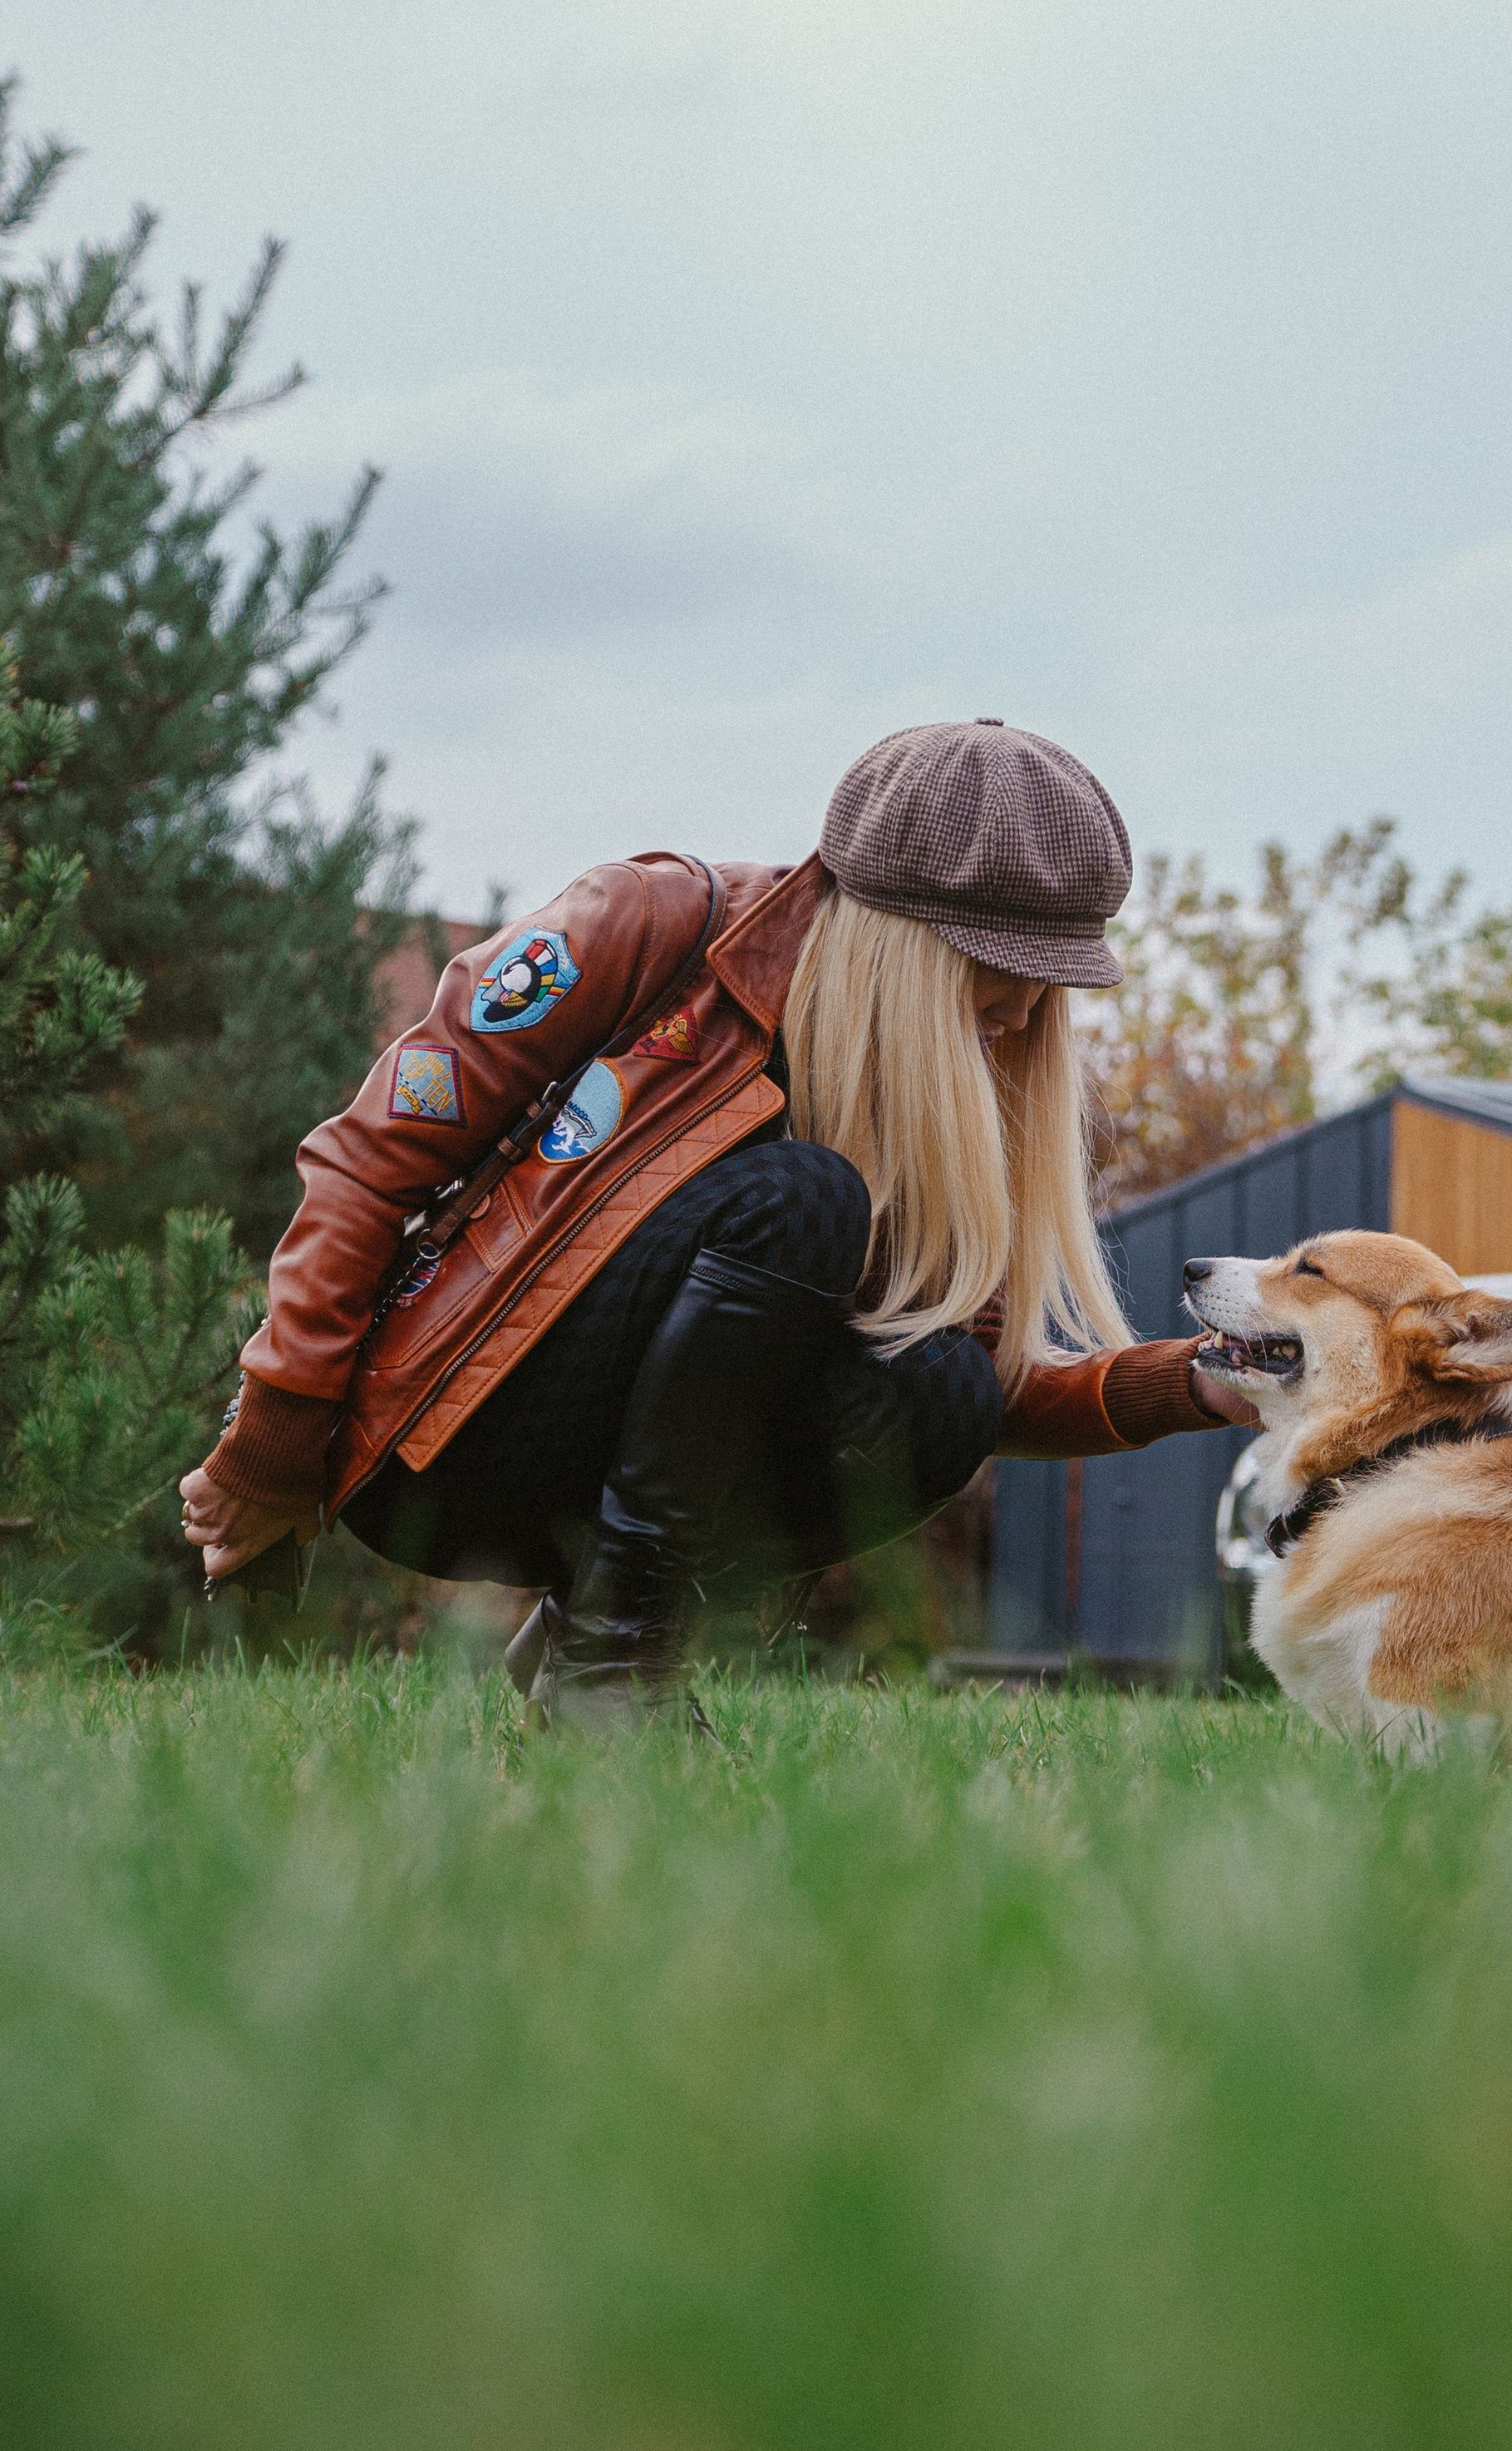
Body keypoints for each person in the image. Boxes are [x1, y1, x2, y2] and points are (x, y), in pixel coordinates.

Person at [178, 719, 1251, 1726]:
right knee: (805, 1198)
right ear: (901, 940)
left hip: (618, 1503)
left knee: (948, 1387)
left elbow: (976, 1381)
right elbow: (367, 1164)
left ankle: (597, 1632)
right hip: (451, 1442)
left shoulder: (947, 1098)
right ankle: (616, 1670)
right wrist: (269, 1447)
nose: (1026, 1011)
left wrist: (1193, 1380)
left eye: (1054, 979)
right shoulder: (648, 925)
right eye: (1004, 969)